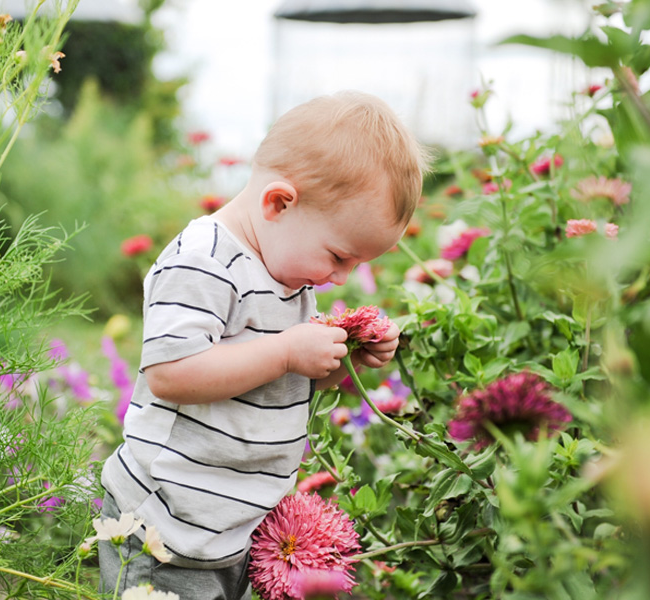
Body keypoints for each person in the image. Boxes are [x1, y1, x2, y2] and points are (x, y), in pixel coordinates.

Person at [98, 90, 429, 599]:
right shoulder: (202, 260)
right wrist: (284, 351)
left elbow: (282, 381)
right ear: (279, 203)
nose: (341, 279)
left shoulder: (288, 275)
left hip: (230, 526)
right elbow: (170, 373)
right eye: (340, 257)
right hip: (163, 528)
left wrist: (345, 363)